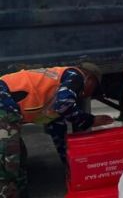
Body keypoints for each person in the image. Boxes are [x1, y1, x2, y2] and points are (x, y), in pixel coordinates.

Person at [0, 63, 115, 195]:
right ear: (89, 79)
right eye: (93, 89)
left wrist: (70, 164)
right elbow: (64, 104)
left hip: (8, 109)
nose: (89, 95)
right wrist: (89, 120)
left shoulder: (56, 92)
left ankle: (19, 192)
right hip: (3, 102)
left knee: (19, 157)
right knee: (8, 162)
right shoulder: (76, 76)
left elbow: (58, 132)